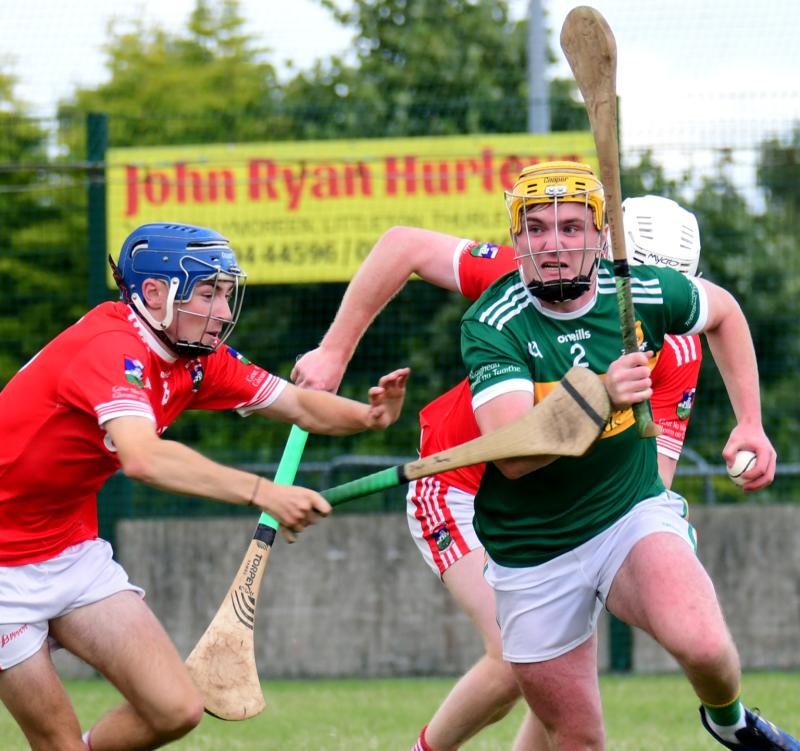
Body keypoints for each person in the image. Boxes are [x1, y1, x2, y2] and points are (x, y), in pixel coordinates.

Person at [292, 192, 704, 750]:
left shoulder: (677, 348)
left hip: (562, 510)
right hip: (461, 485)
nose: (645, 311)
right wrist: (334, 353)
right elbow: (403, 245)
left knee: (560, 667)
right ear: (605, 255)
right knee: (516, 656)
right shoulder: (534, 273)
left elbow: (650, 479)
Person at [0, 222, 409, 751]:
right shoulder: (109, 348)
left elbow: (299, 404)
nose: (221, 310)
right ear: (153, 294)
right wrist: (265, 493)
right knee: (54, 741)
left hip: (68, 550)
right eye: (208, 293)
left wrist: (369, 416)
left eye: (224, 293)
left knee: (176, 709)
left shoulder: (194, 361)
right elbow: (144, 459)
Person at [455, 161, 793, 751]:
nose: (552, 244)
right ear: (517, 241)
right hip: (532, 552)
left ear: (599, 236)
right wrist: (601, 393)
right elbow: (514, 454)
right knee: (579, 739)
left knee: (706, 646)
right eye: (535, 229)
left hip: (627, 516)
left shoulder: (645, 291)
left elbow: (725, 313)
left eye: (569, 227)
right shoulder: (494, 323)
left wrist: (751, 424)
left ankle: (730, 722)